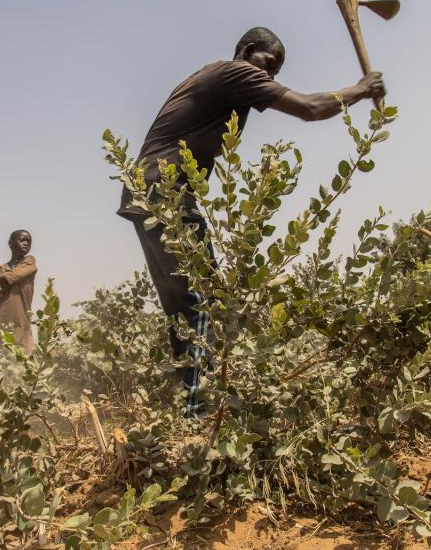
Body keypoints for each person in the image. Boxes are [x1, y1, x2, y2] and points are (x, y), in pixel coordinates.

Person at [117, 27, 387, 419]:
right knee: (204, 303)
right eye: (269, 64)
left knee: (184, 308)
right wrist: (362, 89)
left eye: (275, 71)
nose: (270, 77)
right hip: (167, 193)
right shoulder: (233, 72)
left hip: (149, 192)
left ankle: (192, 410)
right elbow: (310, 107)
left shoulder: (216, 77)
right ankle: (204, 415)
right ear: (248, 51)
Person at [0, 230, 37, 354]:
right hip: (3, 318)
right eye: (22, 240)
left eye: (28, 241)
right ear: (11, 243)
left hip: (21, 319)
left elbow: (14, 275)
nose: (26, 243)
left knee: (23, 355)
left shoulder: (29, 261)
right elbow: (0, 299)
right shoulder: (1, 269)